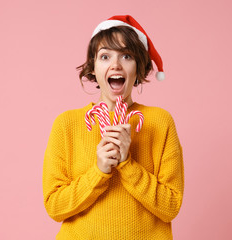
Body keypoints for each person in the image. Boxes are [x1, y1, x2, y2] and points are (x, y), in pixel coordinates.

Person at [43, 15, 184, 239]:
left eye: (126, 56)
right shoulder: (66, 125)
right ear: (93, 67)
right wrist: (99, 172)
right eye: (105, 56)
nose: (115, 65)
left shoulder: (160, 122)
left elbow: (171, 207)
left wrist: (127, 164)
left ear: (139, 68)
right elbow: (55, 207)